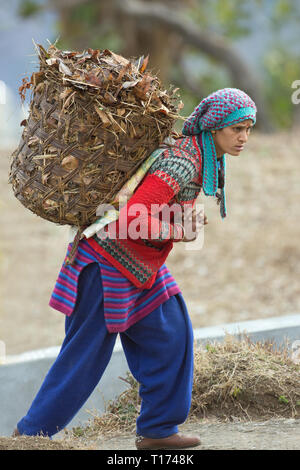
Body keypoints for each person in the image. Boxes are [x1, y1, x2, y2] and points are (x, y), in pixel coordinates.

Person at [13, 88, 257, 450]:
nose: (244, 137)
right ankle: (29, 437)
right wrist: (181, 230)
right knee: (83, 358)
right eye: (237, 128)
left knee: (173, 333)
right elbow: (130, 218)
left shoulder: (201, 157)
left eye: (249, 128)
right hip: (105, 263)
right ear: (214, 127)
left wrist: (180, 222)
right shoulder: (183, 162)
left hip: (139, 264)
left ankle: (158, 430)